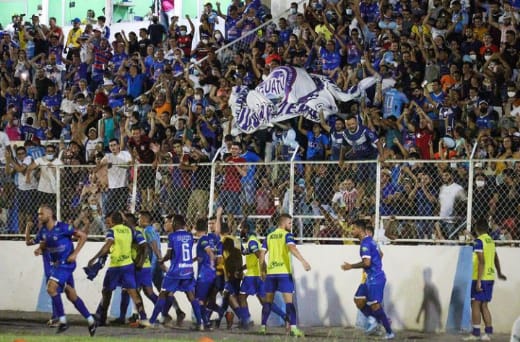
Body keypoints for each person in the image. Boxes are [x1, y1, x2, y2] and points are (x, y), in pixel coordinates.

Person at [32, 204, 97, 335]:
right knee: (71, 294)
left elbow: (83, 236)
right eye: (38, 214)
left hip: (66, 263)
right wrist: (40, 249)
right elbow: (44, 242)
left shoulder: (63, 227)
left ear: (49, 215)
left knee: (51, 287)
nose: (39, 216)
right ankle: (91, 320)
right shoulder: (43, 231)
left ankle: (62, 321)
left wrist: (75, 254)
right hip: (57, 265)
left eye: (41, 214)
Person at [88, 211, 150, 327]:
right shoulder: (131, 230)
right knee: (133, 293)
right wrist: (140, 262)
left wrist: (94, 258)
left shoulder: (112, 231)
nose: (107, 223)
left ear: (112, 221)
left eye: (109, 221)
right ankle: (144, 318)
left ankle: (102, 318)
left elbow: (107, 246)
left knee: (106, 292)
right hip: (128, 266)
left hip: (115, 267)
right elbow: (144, 245)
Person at [149, 214, 204, 330]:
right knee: (191, 296)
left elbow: (169, 255)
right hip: (188, 270)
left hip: (175, 271)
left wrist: (161, 260)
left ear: (175, 223)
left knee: (163, 294)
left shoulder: (172, 236)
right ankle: (200, 323)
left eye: (172, 222)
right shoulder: (189, 236)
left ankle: (152, 321)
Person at [259, 213, 311, 337]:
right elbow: (292, 248)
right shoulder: (287, 235)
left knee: (268, 302)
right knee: (289, 302)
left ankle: (262, 327)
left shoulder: (269, 236)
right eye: (290, 223)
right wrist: (303, 261)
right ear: (283, 223)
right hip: (283, 273)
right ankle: (293, 328)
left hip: (271, 273)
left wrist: (262, 269)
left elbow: (261, 254)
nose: (291, 225)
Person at [341, 220, 394, 340]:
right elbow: (380, 254)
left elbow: (367, 263)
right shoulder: (370, 241)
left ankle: (389, 331)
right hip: (370, 278)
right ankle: (374, 319)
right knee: (358, 300)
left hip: (375, 278)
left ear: (360, 229)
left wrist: (351, 266)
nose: (352, 231)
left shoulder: (365, 243)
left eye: (353, 229)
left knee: (375, 306)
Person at [463, 219, 506, 341]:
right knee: (484, 306)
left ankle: (476, 334)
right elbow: (495, 257)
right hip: (490, 277)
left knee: (475, 304)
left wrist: (478, 281)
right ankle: (488, 334)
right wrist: (499, 272)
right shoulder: (490, 241)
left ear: (476, 229)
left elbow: (481, 261)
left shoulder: (478, 242)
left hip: (480, 277)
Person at [238, 218, 286, 328]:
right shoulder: (252, 241)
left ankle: (247, 320)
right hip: (255, 274)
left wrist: (263, 271)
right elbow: (253, 259)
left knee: (241, 297)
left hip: (253, 276)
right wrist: (241, 269)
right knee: (264, 301)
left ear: (246, 229)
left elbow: (259, 255)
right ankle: (285, 316)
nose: (241, 231)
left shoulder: (252, 241)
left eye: (242, 229)